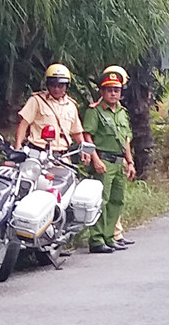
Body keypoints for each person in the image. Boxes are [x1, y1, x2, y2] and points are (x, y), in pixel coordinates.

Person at [83, 65, 136, 254]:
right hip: (103, 160)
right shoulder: (95, 111)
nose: (113, 94)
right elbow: (88, 136)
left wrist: (130, 162)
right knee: (101, 201)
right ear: (102, 91)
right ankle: (97, 239)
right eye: (109, 90)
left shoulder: (122, 112)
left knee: (117, 200)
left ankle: (109, 236)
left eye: (116, 90)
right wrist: (95, 159)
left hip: (119, 161)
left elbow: (126, 139)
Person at [14, 63, 87, 158]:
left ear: (66, 86)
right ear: (47, 85)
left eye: (60, 86)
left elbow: (77, 132)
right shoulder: (37, 100)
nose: (56, 89)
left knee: (69, 173)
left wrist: (84, 151)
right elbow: (24, 124)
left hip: (62, 155)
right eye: (53, 85)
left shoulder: (71, 105)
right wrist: (18, 146)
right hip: (38, 153)